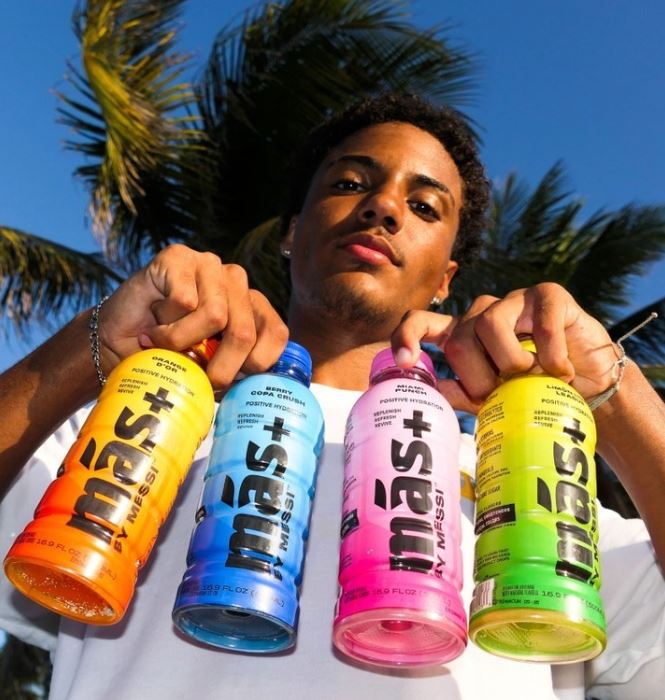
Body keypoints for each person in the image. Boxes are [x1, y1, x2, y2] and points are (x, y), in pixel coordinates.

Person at [1, 93, 664, 700]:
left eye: (425, 206)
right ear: (290, 231)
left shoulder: (527, 483)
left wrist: (611, 392)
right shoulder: (138, 424)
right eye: (350, 183)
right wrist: (90, 347)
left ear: (446, 280)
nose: (383, 208)